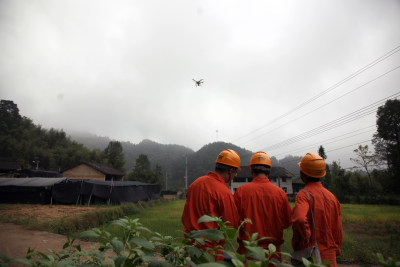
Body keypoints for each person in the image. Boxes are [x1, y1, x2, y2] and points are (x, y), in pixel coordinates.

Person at [181, 149, 241, 261]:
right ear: (230, 170)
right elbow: (231, 228)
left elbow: (185, 216)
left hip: (190, 247)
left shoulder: (195, 184)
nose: (234, 176)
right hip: (211, 252)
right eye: (235, 172)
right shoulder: (224, 192)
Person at [234, 151, 292, 261]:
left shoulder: (241, 192)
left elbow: (233, 222)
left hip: (247, 253)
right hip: (272, 254)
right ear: (269, 171)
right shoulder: (280, 193)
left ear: (251, 170)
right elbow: (287, 223)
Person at [292, 152, 343, 267]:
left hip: (312, 255)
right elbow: (338, 230)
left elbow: (299, 219)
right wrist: (336, 248)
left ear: (302, 173)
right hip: (330, 255)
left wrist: (305, 239)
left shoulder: (303, 195)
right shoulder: (332, 197)